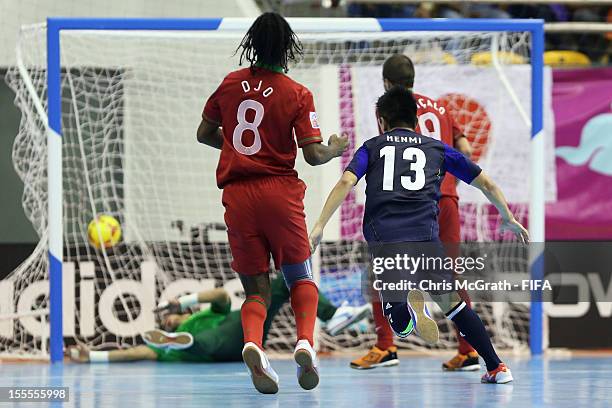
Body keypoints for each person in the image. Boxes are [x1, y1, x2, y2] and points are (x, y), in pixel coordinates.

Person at [309, 86, 528, 384]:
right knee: (455, 305)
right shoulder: (437, 148)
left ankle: (405, 307)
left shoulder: (372, 146)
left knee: (397, 320)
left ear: (382, 121)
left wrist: (320, 225)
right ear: (415, 119)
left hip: (384, 238)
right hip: (425, 239)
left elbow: (347, 182)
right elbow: (485, 183)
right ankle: (496, 367)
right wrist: (509, 217)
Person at [196, 12, 348, 394]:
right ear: (286, 47)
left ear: (251, 43)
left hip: (238, 196)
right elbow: (312, 155)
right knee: (300, 277)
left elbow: (204, 133)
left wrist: (236, 148)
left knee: (255, 290)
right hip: (278, 192)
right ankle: (304, 344)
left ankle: (253, 343)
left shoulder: (230, 84)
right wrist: (335, 148)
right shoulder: (296, 93)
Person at [351, 54, 478, 372]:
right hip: (445, 199)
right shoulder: (441, 107)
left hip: (407, 202)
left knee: (382, 270)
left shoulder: (388, 108)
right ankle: (469, 351)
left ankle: (386, 346)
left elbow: (388, 148)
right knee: (449, 275)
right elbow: (466, 150)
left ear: (386, 84)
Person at [67, 275, 370, 364]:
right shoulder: (168, 343)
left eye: (171, 316)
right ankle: (188, 345)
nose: (170, 318)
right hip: (217, 347)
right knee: (199, 342)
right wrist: (93, 357)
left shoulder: (199, 314)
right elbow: (139, 352)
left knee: (284, 281)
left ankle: (333, 316)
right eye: (166, 322)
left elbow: (221, 298)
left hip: (250, 326)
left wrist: (183, 301)